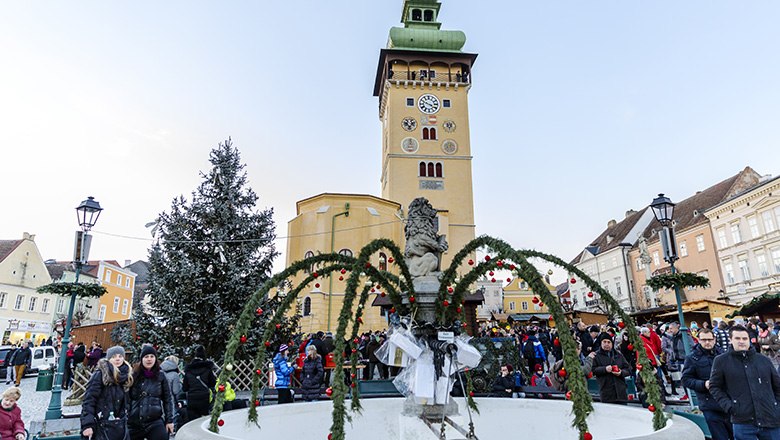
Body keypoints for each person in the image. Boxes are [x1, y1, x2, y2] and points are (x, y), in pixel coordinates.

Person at [710, 324, 780, 440]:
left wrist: (777, 406)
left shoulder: (763, 360)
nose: (741, 341)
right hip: (743, 420)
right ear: (730, 340)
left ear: (749, 340)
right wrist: (729, 406)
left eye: (744, 338)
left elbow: (777, 386)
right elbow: (715, 387)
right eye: (737, 338)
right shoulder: (721, 361)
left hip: (770, 418)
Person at [681, 328, 732, 440]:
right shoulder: (692, 358)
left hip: (727, 403)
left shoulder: (724, 354)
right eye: (704, 340)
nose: (707, 342)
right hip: (709, 404)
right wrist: (704, 384)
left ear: (714, 340)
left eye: (710, 339)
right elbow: (686, 379)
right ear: (698, 340)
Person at [81, 346, 134, 440]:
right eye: (114, 357)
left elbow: (127, 401)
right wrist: (87, 424)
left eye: (120, 356)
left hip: (119, 425)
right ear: (109, 359)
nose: (117, 359)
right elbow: (89, 400)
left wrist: (122, 416)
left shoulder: (126, 376)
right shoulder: (100, 375)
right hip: (101, 424)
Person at [128, 346, 175, 440]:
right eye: (146, 357)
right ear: (141, 359)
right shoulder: (133, 376)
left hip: (154, 421)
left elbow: (168, 399)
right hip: (134, 422)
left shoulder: (161, 376)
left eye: (152, 356)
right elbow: (126, 399)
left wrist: (169, 420)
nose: (149, 359)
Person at [591, 333, 630, 404]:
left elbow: (628, 369)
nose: (606, 344)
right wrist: (604, 369)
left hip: (621, 392)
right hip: (606, 392)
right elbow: (593, 370)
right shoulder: (596, 355)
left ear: (612, 344)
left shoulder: (618, 355)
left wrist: (621, 372)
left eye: (609, 342)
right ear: (601, 343)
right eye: (604, 342)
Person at [182, 345, 216, 422]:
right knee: (204, 421)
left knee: (192, 421)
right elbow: (212, 383)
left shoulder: (188, 371)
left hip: (192, 398)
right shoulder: (207, 369)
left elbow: (185, 388)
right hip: (204, 397)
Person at [661, 322, 686, 396]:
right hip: (673, 359)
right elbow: (663, 346)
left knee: (683, 376)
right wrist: (671, 352)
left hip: (681, 359)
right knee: (675, 376)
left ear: (676, 328)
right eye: (669, 328)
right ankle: (675, 390)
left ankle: (687, 393)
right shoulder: (671, 336)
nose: (670, 330)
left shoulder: (681, 335)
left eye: (671, 328)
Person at [160, 355, 183, 431]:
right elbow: (175, 390)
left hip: (159, 400)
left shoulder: (160, 372)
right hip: (171, 400)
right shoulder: (175, 374)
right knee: (172, 419)